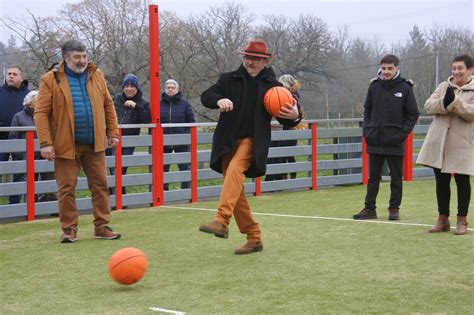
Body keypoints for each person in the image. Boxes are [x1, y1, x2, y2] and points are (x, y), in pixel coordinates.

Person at [198, 40, 301, 255]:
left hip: (252, 141)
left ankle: (221, 219)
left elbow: (290, 115)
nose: (250, 62)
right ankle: (254, 237)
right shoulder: (228, 79)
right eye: (247, 57)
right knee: (234, 189)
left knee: (235, 172)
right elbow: (206, 96)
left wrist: (295, 115)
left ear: (265, 61)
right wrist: (219, 100)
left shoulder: (274, 87)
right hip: (227, 141)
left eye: (255, 59)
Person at [35, 39, 121, 243]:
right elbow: (41, 113)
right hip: (65, 145)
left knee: (100, 186)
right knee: (66, 189)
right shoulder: (50, 79)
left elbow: (108, 105)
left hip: (95, 143)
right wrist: (46, 143)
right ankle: (69, 229)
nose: (82, 61)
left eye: (84, 56)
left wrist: (113, 132)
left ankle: (102, 226)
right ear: (66, 58)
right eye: (77, 57)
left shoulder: (97, 75)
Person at [353, 54, 419, 221]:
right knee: (373, 177)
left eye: (390, 68)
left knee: (396, 177)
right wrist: (367, 130)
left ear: (397, 68)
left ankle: (394, 209)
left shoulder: (405, 88)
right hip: (374, 139)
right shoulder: (374, 87)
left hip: (394, 141)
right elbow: (367, 110)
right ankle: (369, 209)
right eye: (384, 68)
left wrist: (401, 135)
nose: (386, 72)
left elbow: (413, 114)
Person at [417, 54, 473, 235]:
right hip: (439, 142)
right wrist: (444, 102)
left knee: (462, 181)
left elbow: (471, 113)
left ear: (470, 70)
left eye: (460, 68)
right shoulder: (443, 86)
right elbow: (428, 105)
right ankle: (443, 219)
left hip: (462, 143)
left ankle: (462, 220)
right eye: (454, 68)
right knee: (441, 182)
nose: (456, 71)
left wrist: (454, 103)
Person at [9, 91, 57, 203]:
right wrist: (22, 155)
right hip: (28, 157)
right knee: (30, 184)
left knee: (50, 182)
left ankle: (52, 207)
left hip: (46, 156)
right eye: (38, 99)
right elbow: (13, 137)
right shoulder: (19, 116)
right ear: (30, 102)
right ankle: (30, 209)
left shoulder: (48, 116)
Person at [107, 74, 151, 195]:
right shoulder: (116, 98)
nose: (129, 88)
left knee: (120, 169)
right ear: (123, 87)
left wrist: (136, 106)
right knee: (112, 169)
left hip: (128, 140)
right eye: (127, 86)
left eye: (132, 86)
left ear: (137, 88)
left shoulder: (142, 103)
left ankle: (118, 198)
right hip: (111, 137)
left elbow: (147, 120)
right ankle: (120, 197)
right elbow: (107, 113)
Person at [160, 79, 195, 190]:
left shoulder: (185, 104)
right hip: (163, 142)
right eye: (168, 87)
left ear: (177, 89)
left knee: (184, 168)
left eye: (172, 87)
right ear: (165, 89)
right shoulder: (158, 104)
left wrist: (185, 136)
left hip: (181, 141)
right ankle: (163, 192)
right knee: (162, 169)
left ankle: (186, 192)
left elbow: (191, 121)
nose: (170, 89)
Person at [0, 65, 30, 192]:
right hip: (1, 140)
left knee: (19, 173)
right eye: (9, 74)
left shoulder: (29, 95)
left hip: (21, 139)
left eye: (14, 74)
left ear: (22, 78)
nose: (10, 76)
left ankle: (15, 202)